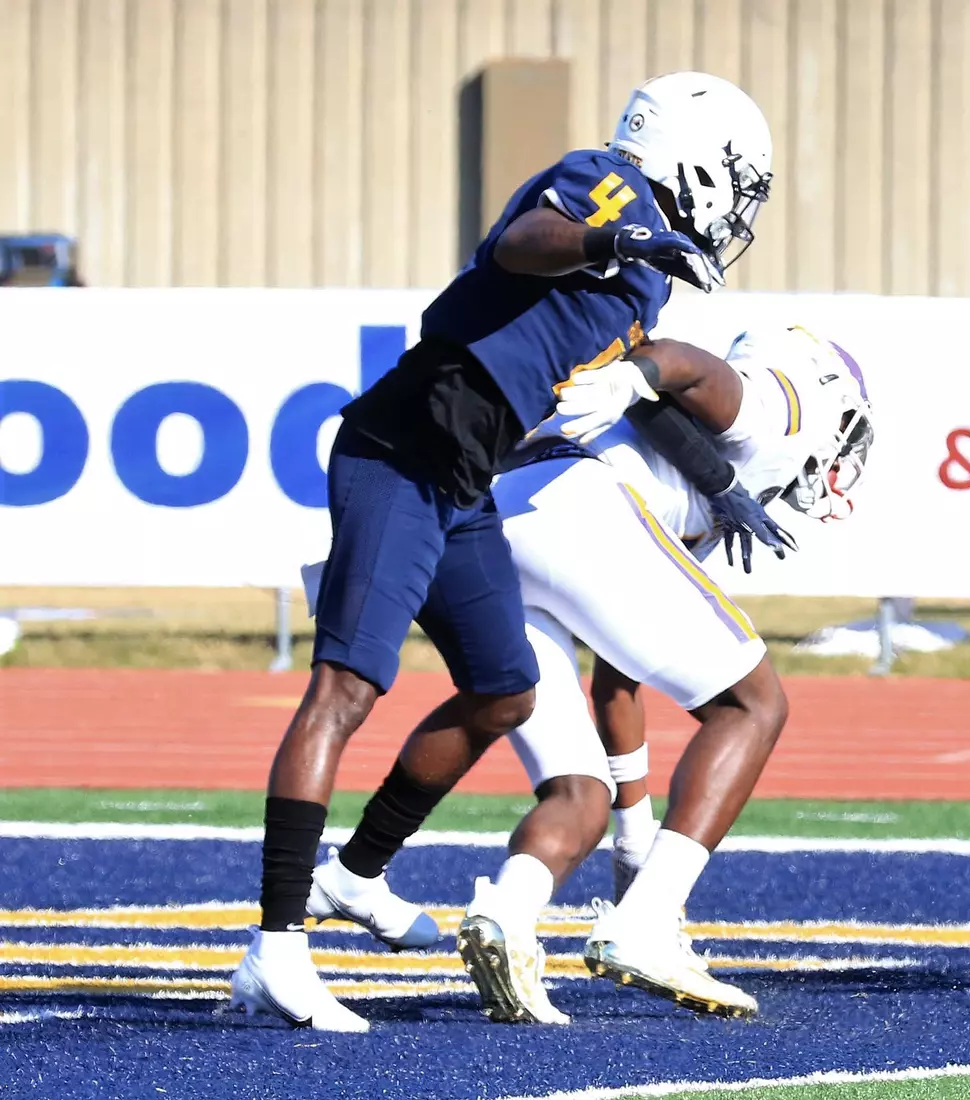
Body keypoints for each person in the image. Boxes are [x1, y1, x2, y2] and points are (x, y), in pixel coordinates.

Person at [230, 72, 781, 1033]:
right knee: (345, 690)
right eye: (734, 179)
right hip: (401, 451)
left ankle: (356, 874)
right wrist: (616, 236)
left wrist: (725, 484)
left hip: (466, 478)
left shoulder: (650, 276)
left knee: (506, 691)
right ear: (692, 157)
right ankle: (274, 949)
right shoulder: (612, 187)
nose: (735, 206)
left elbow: (632, 395)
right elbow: (521, 244)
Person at [313, 325, 873, 1024]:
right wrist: (638, 374)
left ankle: (506, 911)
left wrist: (634, 833)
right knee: (753, 706)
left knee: (579, 792)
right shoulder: (778, 405)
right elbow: (689, 366)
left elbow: (617, 680)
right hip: (581, 509)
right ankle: (646, 922)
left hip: (495, 526)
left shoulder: (686, 484)